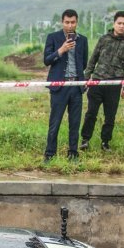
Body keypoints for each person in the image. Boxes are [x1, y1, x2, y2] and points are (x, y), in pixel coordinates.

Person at [80, 11, 124, 152]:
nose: (121, 26)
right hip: (97, 82)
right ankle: (85, 140)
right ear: (114, 24)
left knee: (110, 116)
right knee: (91, 113)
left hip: (114, 85)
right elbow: (93, 59)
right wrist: (86, 79)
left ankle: (105, 142)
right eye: (119, 23)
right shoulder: (103, 39)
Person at [43, 9, 89, 161]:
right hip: (59, 86)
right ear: (62, 22)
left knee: (75, 122)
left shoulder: (82, 40)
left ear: (77, 22)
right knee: (54, 122)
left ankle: (73, 153)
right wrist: (61, 50)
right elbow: (47, 60)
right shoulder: (53, 37)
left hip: (76, 86)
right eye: (67, 22)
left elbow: (84, 62)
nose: (70, 25)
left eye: (73, 22)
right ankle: (50, 154)